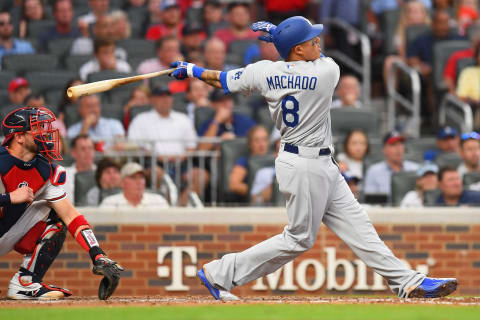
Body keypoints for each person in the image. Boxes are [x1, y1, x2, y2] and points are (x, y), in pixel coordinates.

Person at [169, 15, 457, 300]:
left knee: (359, 226)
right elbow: (313, 59)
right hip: (304, 164)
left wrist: (192, 69)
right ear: (297, 49)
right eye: (310, 40)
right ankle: (219, 273)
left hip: (317, 162)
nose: (317, 41)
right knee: (298, 239)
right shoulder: (326, 72)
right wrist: (280, 35)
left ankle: (408, 282)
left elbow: (221, 79)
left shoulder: (264, 71)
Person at [0, 106, 122, 300]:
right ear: (19, 137)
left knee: (56, 214)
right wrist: (8, 198)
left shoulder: (44, 168)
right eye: (38, 128)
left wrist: (97, 254)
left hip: (5, 232)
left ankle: (25, 282)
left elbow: (70, 215)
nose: (46, 134)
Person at [127, 86, 209, 206]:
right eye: (161, 97)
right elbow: (134, 145)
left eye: (168, 96)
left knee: (201, 175)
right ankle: (166, 208)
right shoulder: (141, 119)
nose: (165, 100)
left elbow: (191, 147)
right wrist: (157, 156)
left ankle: (180, 209)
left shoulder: (183, 119)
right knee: (157, 173)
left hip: (181, 162)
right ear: (153, 99)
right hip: (153, 162)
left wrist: (181, 157)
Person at [364, 131, 419, 197]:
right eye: (393, 144)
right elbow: (371, 201)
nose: (398, 148)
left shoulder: (416, 169)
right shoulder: (373, 171)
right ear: (384, 149)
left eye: (401, 144)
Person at [100, 162, 169, 208]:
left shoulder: (158, 201)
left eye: (141, 177)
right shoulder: (109, 203)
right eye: (133, 178)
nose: (139, 182)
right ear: (122, 183)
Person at [229, 126, 270, 199]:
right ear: (250, 144)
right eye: (257, 140)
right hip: (254, 204)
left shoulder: (275, 159)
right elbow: (233, 185)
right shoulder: (244, 161)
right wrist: (256, 192)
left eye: (264, 140)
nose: (261, 144)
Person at [64, 134, 96, 203]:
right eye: (83, 149)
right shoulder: (63, 175)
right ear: (73, 153)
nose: (88, 152)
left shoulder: (102, 173)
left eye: (90, 148)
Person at [456, 45, 480, 127]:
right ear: (477, 57)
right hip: (476, 108)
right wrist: (476, 102)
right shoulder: (468, 73)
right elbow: (461, 97)